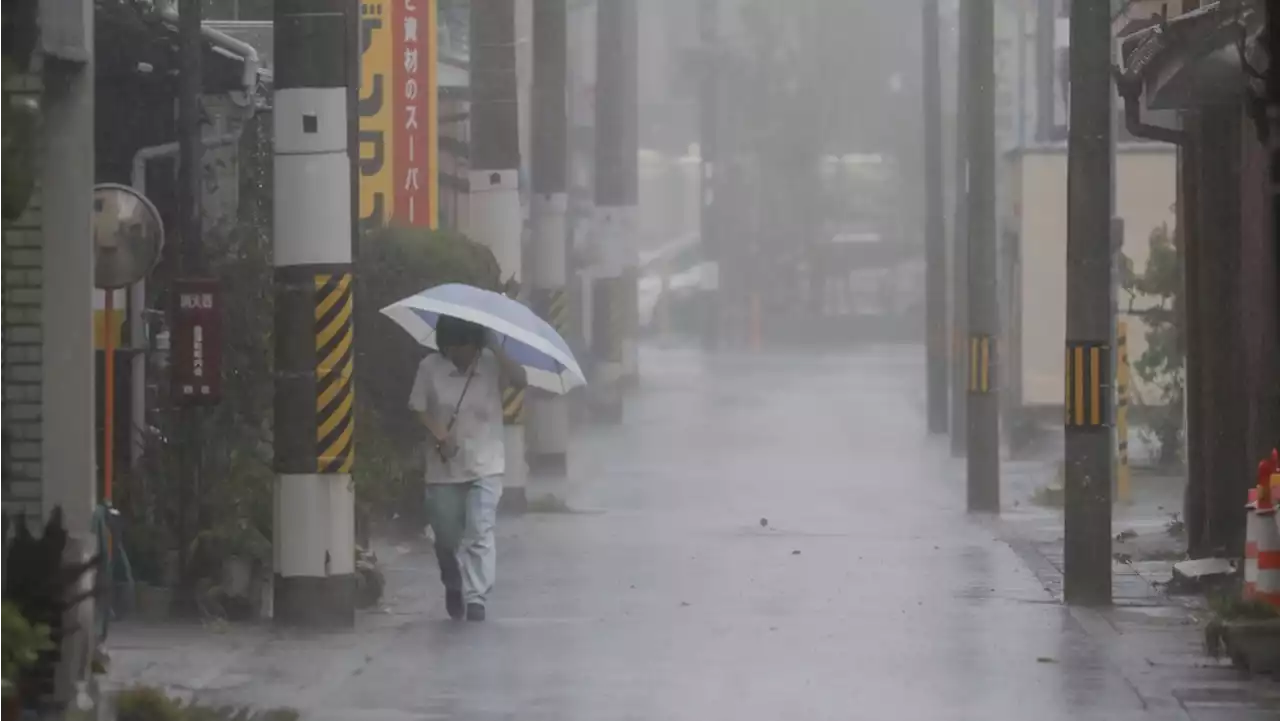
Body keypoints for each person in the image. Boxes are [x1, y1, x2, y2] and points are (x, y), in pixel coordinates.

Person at [409, 315, 527, 622]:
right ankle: (452, 578)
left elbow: (520, 379)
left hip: (486, 463)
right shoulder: (429, 368)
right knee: (446, 538)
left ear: (476, 343)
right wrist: (440, 434)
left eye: (467, 345)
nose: (461, 352)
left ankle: (476, 598)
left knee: (480, 528)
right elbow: (418, 408)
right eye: (455, 346)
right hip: (443, 468)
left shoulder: (490, 364)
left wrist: (496, 348)